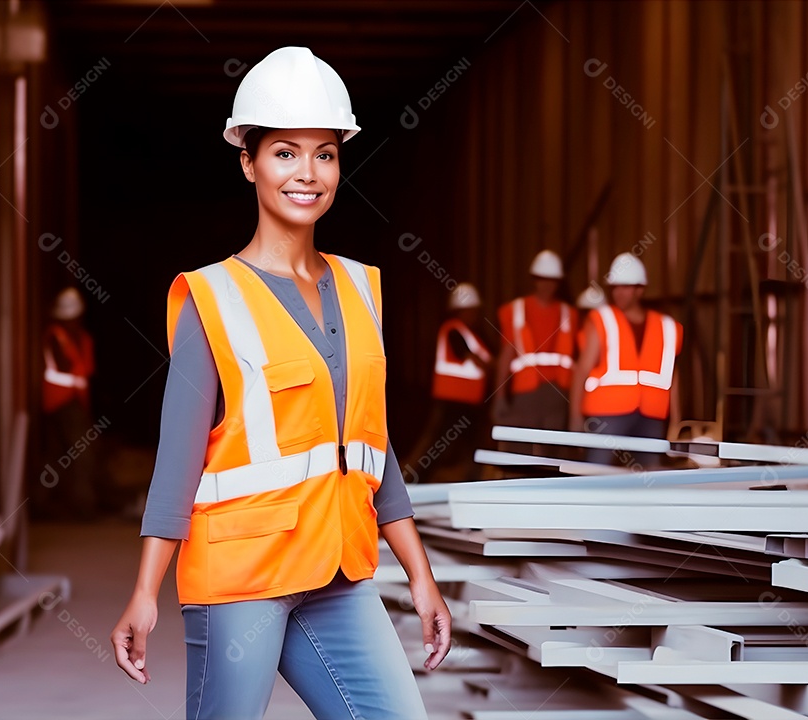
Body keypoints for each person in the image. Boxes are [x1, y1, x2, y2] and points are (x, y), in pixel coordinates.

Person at [110, 47, 449, 719]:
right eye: (286, 153)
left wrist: (420, 574)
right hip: (242, 578)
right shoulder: (213, 297)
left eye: (325, 154)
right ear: (249, 161)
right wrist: (145, 591)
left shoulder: (359, 288)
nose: (308, 173)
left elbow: (373, 452)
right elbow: (177, 463)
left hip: (337, 572)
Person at [569, 253, 683, 466]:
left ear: (640, 289)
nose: (619, 293)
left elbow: (671, 376)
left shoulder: (665, 327)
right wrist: (575, 416)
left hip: (651, 414)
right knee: (595, 471)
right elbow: (582, 369)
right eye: (615, 287)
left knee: (649, 475)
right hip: (607, 413)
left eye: (625, 287)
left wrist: (676, 420)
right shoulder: (602, 319)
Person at [402, 283, 492, 482]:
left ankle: (472, 481)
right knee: (437, 444)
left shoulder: (474, 334)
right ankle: (414, 479)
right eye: (471, 310)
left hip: (470, 404)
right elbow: (473, 359)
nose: (474, 315)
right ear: (461, 311)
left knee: (472, 446)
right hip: (450, 403)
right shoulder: (453, 330)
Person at [493, 250, 576, 430]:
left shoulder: (569, 313)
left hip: (558, 393)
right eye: (542, 278)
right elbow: (506, 355)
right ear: (534, 279)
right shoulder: (515, 310)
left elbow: (579, 359)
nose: (546, 285)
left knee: (553, 450)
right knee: (523, 449)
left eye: (551, 279)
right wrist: (499, 396)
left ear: (558, 282)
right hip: (526, 392)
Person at [37, 287, 98, 518]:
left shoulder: (83, 339)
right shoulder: (56, 336)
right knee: (82, 454)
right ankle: (83, 506)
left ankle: (47, 504)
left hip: (75, 403)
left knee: (58, 453)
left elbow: (85, 372)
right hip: (60, 403)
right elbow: (63, 368)